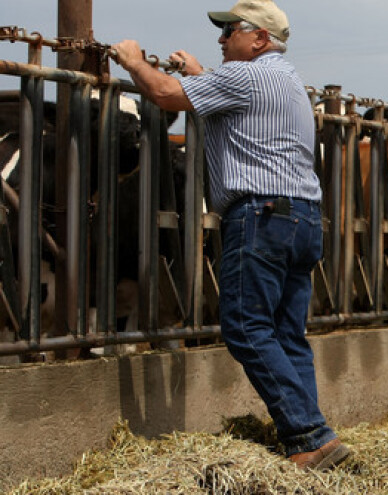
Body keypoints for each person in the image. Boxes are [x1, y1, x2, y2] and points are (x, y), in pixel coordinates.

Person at [111, 0, 350, 470]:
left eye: (230, 30)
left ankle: (309, 435)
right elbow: (227, 107)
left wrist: (133, 59)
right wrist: (199, 73)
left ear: (259, 38)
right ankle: (309, 436)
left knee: (245, 328)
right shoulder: (286, 80)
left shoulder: (248, 76)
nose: (221, 39)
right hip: (301, 218)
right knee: (287, 335)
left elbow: (162, 94)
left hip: (260, 216)